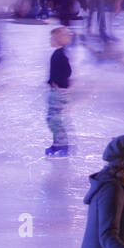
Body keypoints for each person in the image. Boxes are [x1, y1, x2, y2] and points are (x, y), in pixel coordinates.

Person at [45, 27, 72, 157]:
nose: (51, 40)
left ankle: (63, 145)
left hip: (59, 92)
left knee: (55, 120)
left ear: (59, 40)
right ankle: (57, 144)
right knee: (52, 119)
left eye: (53, 38)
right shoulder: (58, 53)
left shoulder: (61, 54)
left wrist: (57, 83)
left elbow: (67, 71)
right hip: (56, 91)